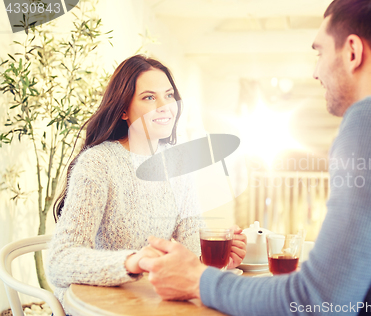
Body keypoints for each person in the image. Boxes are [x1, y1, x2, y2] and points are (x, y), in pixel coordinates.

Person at [137, 0, 371, 315]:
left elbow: (319, 303)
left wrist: (199, 279)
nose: (315, 71)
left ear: (353, 51)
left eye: (319, 52)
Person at [46, 55, 247, 311]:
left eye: (169, 95)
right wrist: (131, 262)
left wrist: (216, 263)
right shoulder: (97, 164)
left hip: (150, 303)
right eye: (149, 97)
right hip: (99, 306)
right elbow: (59, 261)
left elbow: (189, 252)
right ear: (122, 110)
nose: (165, 106)